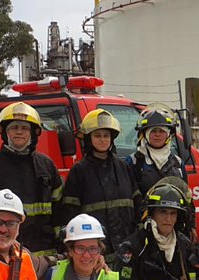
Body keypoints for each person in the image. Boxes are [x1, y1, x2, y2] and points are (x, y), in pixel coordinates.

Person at [0, 102, 63, 257]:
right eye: (14, 127)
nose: (19, 132)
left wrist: (62, 244)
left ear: (33, 133)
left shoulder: (47, 165)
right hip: (3, 254)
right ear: (5, 132)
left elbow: (60, 210)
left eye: (25, 128)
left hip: (44, 254)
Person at [59, 108, 142, 261]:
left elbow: (137, 205)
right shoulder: (79, 171)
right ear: (88, 139)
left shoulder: (123, 167)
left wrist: (135, 238)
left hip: (127, 250)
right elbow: (70, 213)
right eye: (97, 135)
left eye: (106, 135)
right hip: (95, 253)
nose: (103, 140)